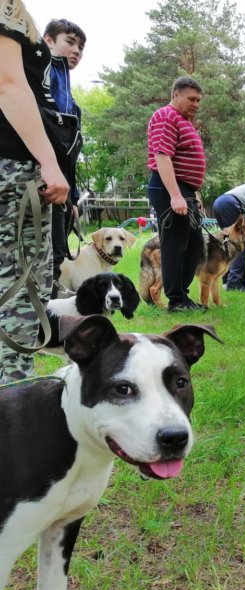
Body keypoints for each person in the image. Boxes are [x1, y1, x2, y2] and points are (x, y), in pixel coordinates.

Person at [0, 0, 70, 383]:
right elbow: (8, 85)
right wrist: (48, 161)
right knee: (20, 293)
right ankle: (12, 402)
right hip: (12, 167)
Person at [147, 76, 207, 313]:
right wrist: (175, 195)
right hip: (168, 188)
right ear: (175, 95)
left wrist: (194, 194)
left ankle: (182, 296)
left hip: (185, 190)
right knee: (175, 245)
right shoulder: (166, 116)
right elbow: (162, 156)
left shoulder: (183, 121)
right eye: (191, 99)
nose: (196, 104)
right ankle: (176, 300)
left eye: (199, 100)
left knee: (193, 246)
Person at [43, 18, 85, 298]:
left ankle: (51, 313)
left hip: (62, 187)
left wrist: (73, 197)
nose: (76, 51)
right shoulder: (36, 82)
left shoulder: (73, 105)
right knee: (44, 255)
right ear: (48, 41)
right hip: (39, 181)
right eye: (69, 42)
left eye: (80, 48)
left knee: (57, 253)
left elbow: (67, 156)